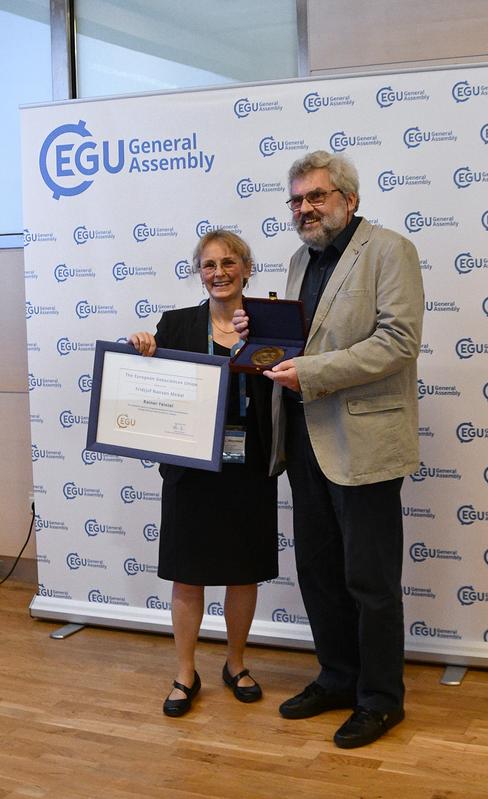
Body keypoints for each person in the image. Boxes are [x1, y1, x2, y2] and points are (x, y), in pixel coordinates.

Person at [234, 150, 424, 748]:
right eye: (295, 200)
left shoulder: (389, 250)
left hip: (363, 440)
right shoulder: (299, 258)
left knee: (369, 580)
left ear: (349, 199)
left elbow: (398, 342)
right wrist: (255, 337)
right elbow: (297, 338)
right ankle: (338, 678)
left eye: (315, 196)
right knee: (318, 572)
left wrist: (310, 372)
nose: (304, 209)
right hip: (304, 441)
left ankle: (380, 698)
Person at [130, 230, 278, 717]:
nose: (219, 272)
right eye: (209, 264)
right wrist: (141, 347)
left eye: (229, 262)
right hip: (191, 470)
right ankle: (185, 672)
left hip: (249, 466)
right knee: (188, 577)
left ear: (247, 268)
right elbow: (144, 376)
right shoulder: (176, 324)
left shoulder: (268, 325)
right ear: (200, 272)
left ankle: (235, 664)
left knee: (243, 574)